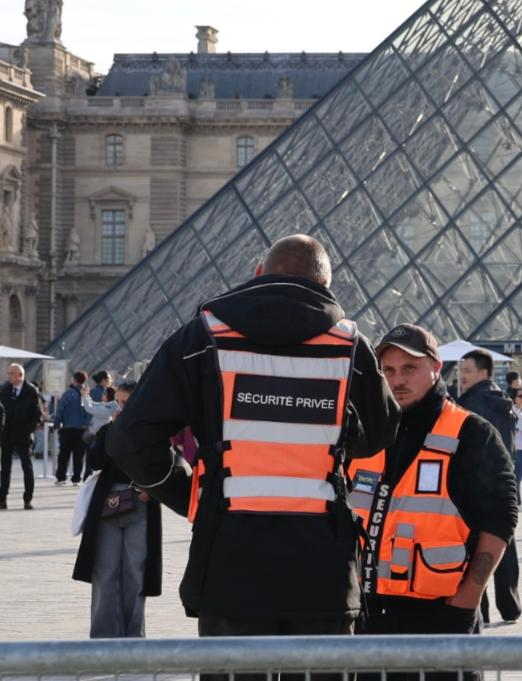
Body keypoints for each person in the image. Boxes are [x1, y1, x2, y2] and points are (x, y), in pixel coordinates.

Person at [107, 234, 400, 640]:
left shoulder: (202, 337)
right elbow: (380, 434)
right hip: (323, 565)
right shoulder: (350, 347)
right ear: (325, 286)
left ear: (259, 273)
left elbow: (129, 439)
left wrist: (191, 494)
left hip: (230, 559)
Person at [347, 324, 516, 678]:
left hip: (441, 620)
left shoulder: (471, 432)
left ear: (436, 368)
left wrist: (467, 600)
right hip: (368, 620)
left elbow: (500, 519)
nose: (398, 380)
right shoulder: (368, 434)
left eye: (410, 368)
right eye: (389, 370)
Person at [73, 382, 162, 638]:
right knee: (105, 572)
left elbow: (169, 463)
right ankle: (103, 638)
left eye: (127, 402)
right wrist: (113, 430)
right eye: (119, 402)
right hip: (107, 505)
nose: (122, 407)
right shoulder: (109, 430)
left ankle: (134, 637)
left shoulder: (152, 432)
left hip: (141, 505)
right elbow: (95, 461)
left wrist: (149, 492)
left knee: (136, 574)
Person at [455, 348, 522, 625]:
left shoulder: (471, 403)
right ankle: (511, 605)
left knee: (475, 549)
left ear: (483, 373)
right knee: (503, 544)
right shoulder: (503, 401)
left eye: (466, 371)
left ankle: (478, 609)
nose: (461, 377)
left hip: (476, 483)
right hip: (503, 482)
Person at [1, 364, 42, 510]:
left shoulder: (31, 391)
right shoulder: (4, 389)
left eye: (12, 373)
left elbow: (36, 414)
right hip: (6, 435)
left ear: (20, 375)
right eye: (8, 373)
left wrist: (28, 430)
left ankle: (27, 499)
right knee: (5, 468)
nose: (9, 376)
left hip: (23, 435)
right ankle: (2, 499)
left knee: (27, 467)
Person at [54, 370, 91, 485]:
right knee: (79, 455)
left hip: (67, 428)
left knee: (64, 454)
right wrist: (86, 423)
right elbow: (89, 410)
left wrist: (57, 422)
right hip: (82, 429)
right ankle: (76, 478)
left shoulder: (68, 394)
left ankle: (61, 478)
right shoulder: (86, 393)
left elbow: (60, 409)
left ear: (74, 380)